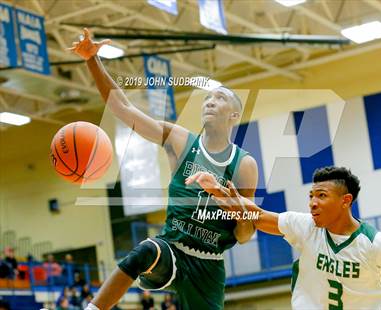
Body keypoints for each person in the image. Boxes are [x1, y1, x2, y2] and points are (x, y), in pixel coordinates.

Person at [69, 28, 257, 310]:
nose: (210, 101)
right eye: (208, 98)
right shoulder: (181, 142)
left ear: (234, 115)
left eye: (220, 98)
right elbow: (123, 108)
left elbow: (245, 235)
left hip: (209, 265)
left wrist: (237, 212)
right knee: (144, 252)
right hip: (171, 250)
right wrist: (92, 60)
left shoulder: (244, 164)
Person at [187, 166, 381, 310]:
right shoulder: (305, 226)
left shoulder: (378, 244)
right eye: (311, 195)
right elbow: (258, 215)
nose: (313, 202)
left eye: (322, 196)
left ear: (346, 200)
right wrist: (217, 190)